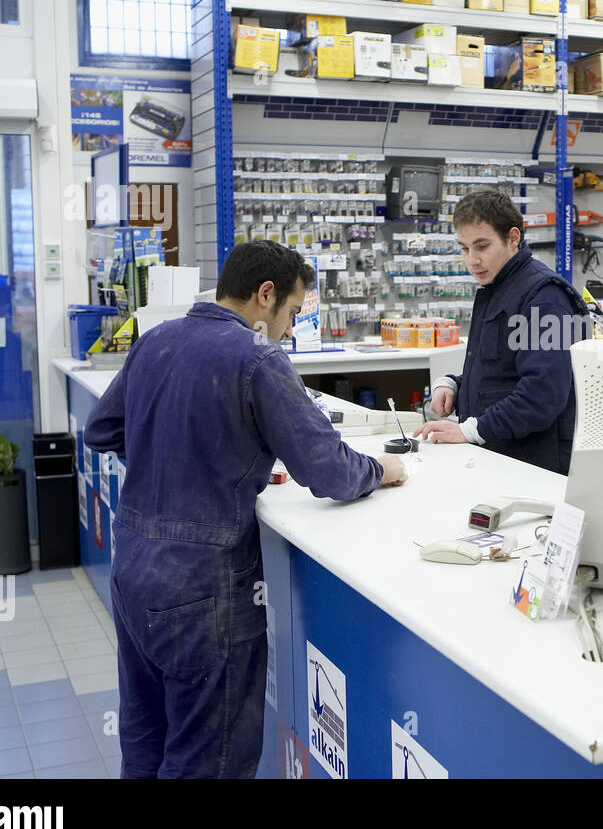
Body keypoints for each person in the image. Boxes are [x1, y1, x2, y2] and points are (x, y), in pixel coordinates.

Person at [84, 240, 406, 778]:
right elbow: (326, 469)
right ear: (265, 295)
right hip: (203, 591)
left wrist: (175, 455)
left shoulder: (156, 340)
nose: (289, 329)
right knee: (209, 761)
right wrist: (381, 469)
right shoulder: (257, 358)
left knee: (145, 744)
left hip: (132, 572)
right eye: (293, 313)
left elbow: (102, 429)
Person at [413, 188, 590, 474]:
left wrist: (472, 430)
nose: (472, 260)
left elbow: (542, 395)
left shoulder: (546, 298)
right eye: (465, 248)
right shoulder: (498, 289)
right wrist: (455, 385)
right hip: (501, 460)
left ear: (513, 238)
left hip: (536, 469)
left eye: (482, 246)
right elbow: (504, 374)